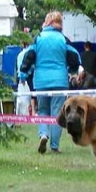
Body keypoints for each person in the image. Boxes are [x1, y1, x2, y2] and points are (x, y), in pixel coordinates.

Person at [19, 11, 81, 154]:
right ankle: (54, 145)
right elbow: (74, 58)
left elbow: (28, 57)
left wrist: (23, 73)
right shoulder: (63, 39)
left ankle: (43, 134)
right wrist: (72, 70)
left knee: (42, 110)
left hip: (41, 81)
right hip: (60, 80)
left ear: (47, 22)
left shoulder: (38, 38)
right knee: (57, 113)